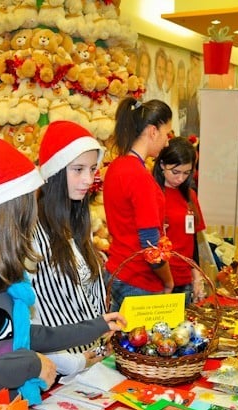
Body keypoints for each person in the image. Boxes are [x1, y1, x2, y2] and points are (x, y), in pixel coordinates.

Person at [0, 138, 126, 410]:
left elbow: (19, 334)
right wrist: (29, 364)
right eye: (27, 209)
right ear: (4, 213)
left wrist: (94, 327)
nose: (31, 220)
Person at [31, 120, 108, 378]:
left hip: (94, 366)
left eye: (92, 169)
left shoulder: (77, 224)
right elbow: (29, 322)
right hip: (58, 372)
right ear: (54, 172)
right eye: (78, 169)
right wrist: (71, 363)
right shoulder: (31, 234)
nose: (88, 179)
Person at [103, 97, 173, 312]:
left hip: (117, 271)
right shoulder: (139, 176)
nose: (167, 142)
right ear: (153, 131)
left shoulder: (116, 167)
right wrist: (169, 280)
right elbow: (150, 245)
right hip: (138, 280)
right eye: (166, 134)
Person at [152, 136, 206, 304]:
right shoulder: (153, 193)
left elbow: (193, 240)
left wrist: (196, 275)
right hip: (159, 280)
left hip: (185, 280)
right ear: (162, 165)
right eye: (175, 172)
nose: (180, 178)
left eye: (186, 173)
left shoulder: (190, 196)